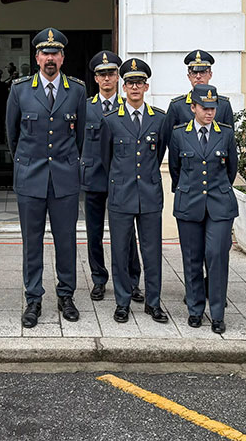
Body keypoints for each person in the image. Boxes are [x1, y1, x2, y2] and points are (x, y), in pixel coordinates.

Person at [6, 27, 87, 327]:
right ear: (37, 57)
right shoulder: (20, 90)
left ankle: (66, 295)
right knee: (32, 241)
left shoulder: (77, 90)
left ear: (63, 58)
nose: (50, 58)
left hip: (64, 178)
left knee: (65, 240)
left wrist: (68, 164)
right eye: (45, 53)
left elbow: (80, 137)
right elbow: (12, 135)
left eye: (55, 53)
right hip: (30, 178)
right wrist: (27, 164)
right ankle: (34, 298)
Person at [100, 58, 170, 324]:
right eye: (130, 83)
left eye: (139, 83)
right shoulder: (111, 120)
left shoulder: (159, 119)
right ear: (124, 87)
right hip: (121, 194)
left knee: (152, 252)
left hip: (150, 194)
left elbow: (160, 151)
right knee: (119, 251)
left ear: (146, 86)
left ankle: (153, 303)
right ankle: (122, 302)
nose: (135, 88)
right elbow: (106, 158)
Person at [168, 84, 238, 333]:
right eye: (204, 107)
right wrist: (188, 189)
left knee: (217, 256)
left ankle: (217, 313)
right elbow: (175, 168)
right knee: (192, 258)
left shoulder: (226, 133)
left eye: (213, 107)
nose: (209, 112)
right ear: (193, 108)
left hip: (220, 204)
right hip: (189, 202)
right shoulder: (178, 134)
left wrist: (217, 191)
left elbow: (231, 169)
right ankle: (195, 310)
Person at [81, 50, 143, 303]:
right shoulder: (85, 107)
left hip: (123, 178)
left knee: (127, 234)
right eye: (101, 74)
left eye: (111, 73)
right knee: (94, 231)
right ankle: (99, 278)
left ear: (118, 77)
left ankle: (132, 280)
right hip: (94, 176)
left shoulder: (128, 106)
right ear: (95, 78)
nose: (107, 78)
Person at [164, 50, 234, 148]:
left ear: (210, 74)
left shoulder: (223, 105)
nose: (198, 76)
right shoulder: (177, 106)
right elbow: (169, 140)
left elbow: (229, 140)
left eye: (202, 72)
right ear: (188, 76)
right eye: (194, 72)